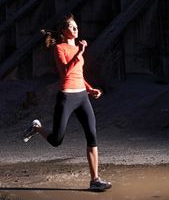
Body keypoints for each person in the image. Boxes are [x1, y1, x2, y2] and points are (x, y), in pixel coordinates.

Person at [23, 13, 112, 191]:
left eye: (76, 26)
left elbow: (79, 73)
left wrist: (90, 88)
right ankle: (37, 128)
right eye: (71, 27)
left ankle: (95, 180)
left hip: (82, 97)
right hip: (67, 97)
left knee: (92, 136)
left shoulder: (77, 48)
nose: (75, 29)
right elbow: (65, 73)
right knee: (56, 140)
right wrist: (79, 52)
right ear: (63, 31)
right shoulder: (59, 48)